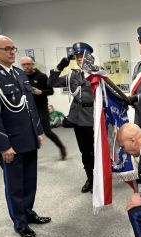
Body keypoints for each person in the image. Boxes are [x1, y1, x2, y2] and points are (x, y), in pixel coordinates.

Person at [0, 35, 50, 237]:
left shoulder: (19, 73)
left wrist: (38, 131)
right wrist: (3, 145)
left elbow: (30, 107)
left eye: (13, 48)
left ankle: (28, 212)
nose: (11, 52)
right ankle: (19, 222)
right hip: (11, 141)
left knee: (30, 180)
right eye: (7, 48)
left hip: (28, 137)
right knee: (15, 185)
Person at [47, 42, 95, 193]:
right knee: (84, 151)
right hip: (78, 119)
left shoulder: (98, 73)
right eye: (77, 56)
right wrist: (61, 66)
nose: (79, 59)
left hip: (93, 119)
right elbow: (51, 82)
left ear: (90, 57)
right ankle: (90, 179)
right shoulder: (73, 75)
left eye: (82, 56)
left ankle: (100, 178)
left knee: (96, 151)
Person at [20, 56, 67, 160]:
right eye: (24, 65)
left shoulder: (42, 76)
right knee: (28, 132)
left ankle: (61, 147)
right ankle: (29, 155)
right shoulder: (20, 77)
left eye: (28, 64)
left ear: (33, 64)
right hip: (27, 109)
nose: (26, 66)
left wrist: (41, 92)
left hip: (41, 108)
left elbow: (51, 91)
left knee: (47, 132)